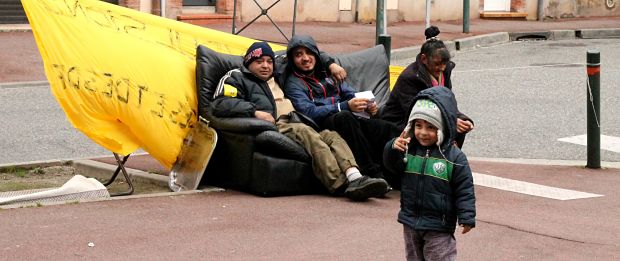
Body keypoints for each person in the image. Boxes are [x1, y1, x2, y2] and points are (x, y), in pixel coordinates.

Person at [210, 41, 389, 201]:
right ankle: (340, 185)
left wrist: (331, 64)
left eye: (269, 61)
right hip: (279, 124)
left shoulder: (279, 73)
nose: (265, 66)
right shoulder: (236, 77)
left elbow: (308, 50)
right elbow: (219, 104)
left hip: (301, 120)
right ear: (248, 62)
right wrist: (254, 112)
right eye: (259, 62)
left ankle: (355, 177)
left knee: (332, 136)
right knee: (309, 135)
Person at [283, 34, 400, 189]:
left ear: (316, 54)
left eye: (309, 53)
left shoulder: (328, 73)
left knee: (386, 128)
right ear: (292, 60)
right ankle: (371, 174)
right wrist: (344, 106)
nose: (305, 58)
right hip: (322, 123)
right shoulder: (293, 82)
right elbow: (308, 111)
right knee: (345, 118)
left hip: (349, 116)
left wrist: (366, 105)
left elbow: (349, 93)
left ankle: (398, 175)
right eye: (298, 55)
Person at [383, 86, 476, 260]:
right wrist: (393, 148)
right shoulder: (407, 149)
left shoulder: (453, 156)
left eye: (431, 127)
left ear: (443, 127)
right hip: (410, 221)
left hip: (438, 225)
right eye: (418, 125)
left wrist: (467, 216)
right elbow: (391, 167)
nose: (423, 133)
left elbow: (464, 189)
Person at [380, 25, 474, 148]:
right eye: (437, 64)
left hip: (428, 118)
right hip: (401, 122)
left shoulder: (444, 71)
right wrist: (450, 120)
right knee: (442, 128)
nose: (442, 67)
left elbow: (447, 101)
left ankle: (449, 159)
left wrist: (462, 119)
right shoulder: (410, 77)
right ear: (424, 59)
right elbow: (415, 111)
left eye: (444, 63)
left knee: (459, 128)